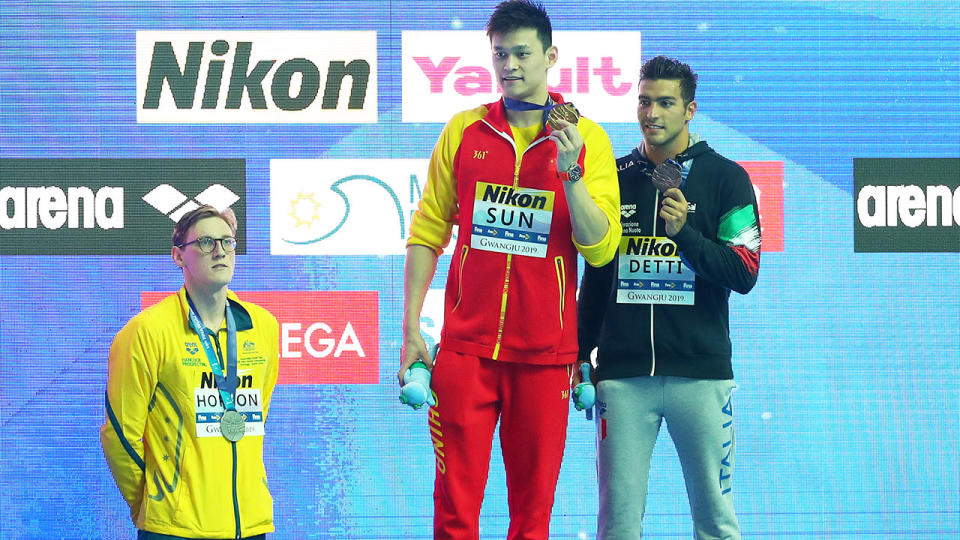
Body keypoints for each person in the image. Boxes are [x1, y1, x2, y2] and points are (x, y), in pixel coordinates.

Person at [399, 1, 622, 538]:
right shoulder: (463, 131)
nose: (510, 66)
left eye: (522, 53)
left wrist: (571, 172)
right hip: (465, 353)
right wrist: (410, 329)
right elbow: (428, 231)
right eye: (500, 54)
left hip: (546, 359)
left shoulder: (588, 139)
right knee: (453, 515)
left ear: (551, 56)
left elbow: (600, 249)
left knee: (532, 519)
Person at [576, 56, 761, 539]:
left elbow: (744, 271)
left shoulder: (727, 178)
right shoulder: (612, 176)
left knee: (716, 524)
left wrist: (686, 237)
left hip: (700, 378)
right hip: (622, 378)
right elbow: (597, 276)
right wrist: (578, 354)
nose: (651, 112)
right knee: (617, 525)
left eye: (665, 102)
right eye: (643, 101)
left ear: (690, 110)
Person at [100, 205, 280, 540]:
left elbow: (256, 416)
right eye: (207, 242)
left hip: (251, 524)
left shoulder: (263, 328)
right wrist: (154, 502)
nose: (220, 251)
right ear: (178, 256)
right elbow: (120, 435)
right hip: (174, 528)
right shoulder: (147, 331)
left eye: (227, 242)